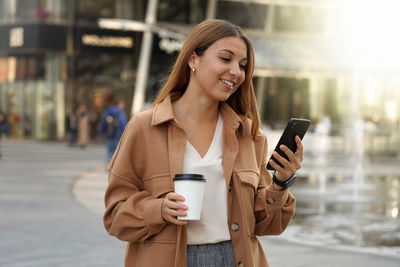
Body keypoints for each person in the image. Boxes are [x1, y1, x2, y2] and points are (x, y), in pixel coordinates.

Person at [103, 19, 303, 267]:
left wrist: (281, 184)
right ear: (193, 59)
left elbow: (265, 225)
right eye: (225, 59)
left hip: (236, 258)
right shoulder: (144, 128)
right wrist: (160, 209)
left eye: (242, 65)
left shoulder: (249, 134)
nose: (236, 72)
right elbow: (115, 217)